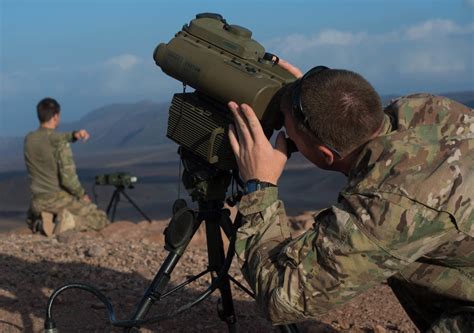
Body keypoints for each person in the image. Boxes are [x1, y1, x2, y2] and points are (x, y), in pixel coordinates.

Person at [228, 60, 474, 332]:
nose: (286, 135)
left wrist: (259, 185)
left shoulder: (389, 208)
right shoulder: (426, 108)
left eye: (291, 134)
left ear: (325, 155)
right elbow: (344, 117)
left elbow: (279, 298)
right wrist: (307, 95)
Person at [24, 97, 109, 235]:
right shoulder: (60, 144)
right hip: (57, 199)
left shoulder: (29, 139)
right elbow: (68, 179)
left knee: (35, 216)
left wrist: (75, 135)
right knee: (100, 218)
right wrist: (82, 195)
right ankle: (68, 223)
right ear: (56, 116)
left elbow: (52, 138)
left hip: (37, 202)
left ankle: (42, 222)